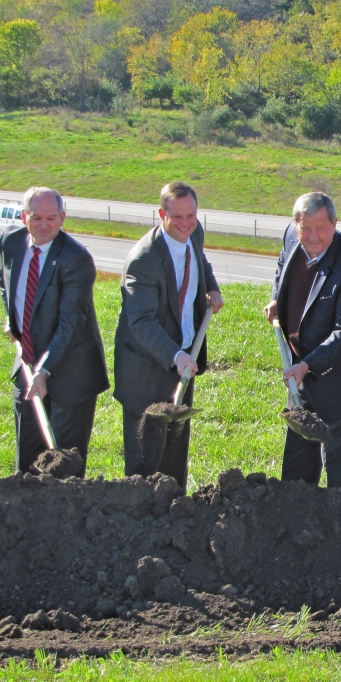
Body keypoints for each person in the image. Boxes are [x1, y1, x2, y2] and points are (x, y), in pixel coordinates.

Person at [263, 192, 341, 489]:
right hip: (300, 375)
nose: (312, 237)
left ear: (335, 224)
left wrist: (308, 364)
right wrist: (277, 297)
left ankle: (336, 531)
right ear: (296, 225)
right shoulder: (293, 235)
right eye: (305, 229)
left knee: (338, 479)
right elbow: (282, 267)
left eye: (320, 229)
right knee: (296, 473)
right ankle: (297, 527)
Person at [113, 181, 223, 487]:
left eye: (191, 216)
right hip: (148, 368)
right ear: (162, 214)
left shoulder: (194, 234)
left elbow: (199, 258)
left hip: (183, 355)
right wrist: (175, 356)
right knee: (146, 458)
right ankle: (142, 519)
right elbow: (142, 322)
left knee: (175, 447)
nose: (186, 223)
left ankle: (175, 511)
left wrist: (211, 286)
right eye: (177, 217)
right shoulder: (144, 261)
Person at [0, 186, 108, 475]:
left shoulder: (76, 259)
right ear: (24, 217)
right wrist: (12, 318)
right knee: (28, 462)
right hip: (27, 362)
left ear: (62, 218)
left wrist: (44, 372)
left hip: (72, 370)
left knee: (63, 465)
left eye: (51, 218)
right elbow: (4, 277)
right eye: (36, 218)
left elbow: (71, 323)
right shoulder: (10, 243)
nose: (44, 226)